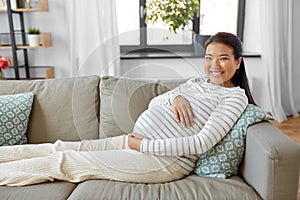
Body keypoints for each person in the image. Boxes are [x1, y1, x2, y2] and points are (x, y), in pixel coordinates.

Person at [0, 32, 255, 186]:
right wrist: (174, 98)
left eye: (223, 58)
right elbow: (155, 102)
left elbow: (201, 143)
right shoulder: (195, 82)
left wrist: (142, 146)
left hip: (163, 161)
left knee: (68, 162)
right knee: (63, 146)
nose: (214, 65)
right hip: (136, 142)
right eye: (209, 57)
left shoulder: (234, 98)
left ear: (238, 62)